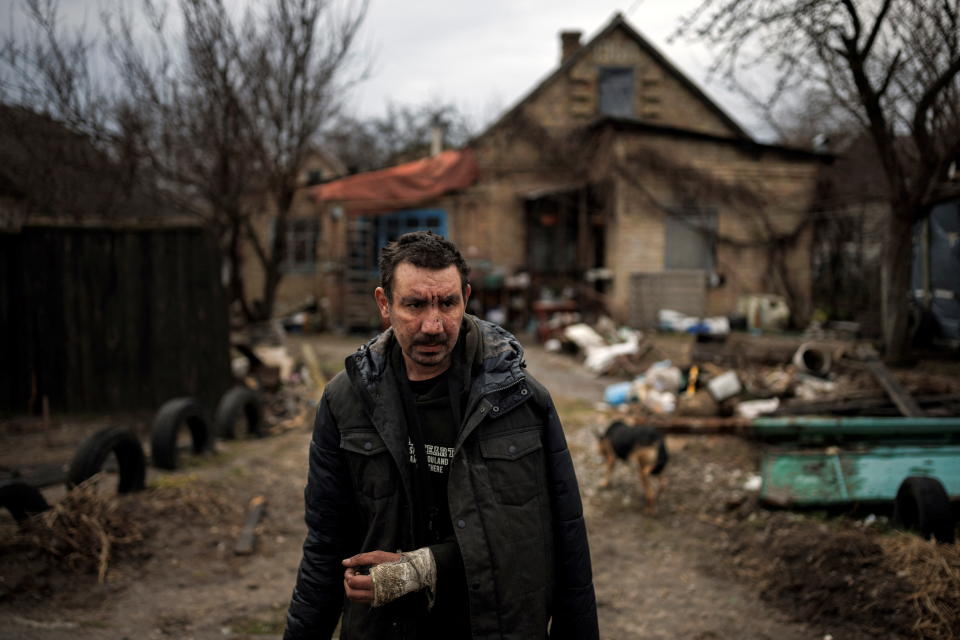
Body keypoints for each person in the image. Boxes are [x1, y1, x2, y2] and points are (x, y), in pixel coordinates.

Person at [284, 231, 599, 640]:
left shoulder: (518, 399)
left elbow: (555, 537)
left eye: (447, 303)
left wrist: (423, 567)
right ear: (384, 303)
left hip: (492, 625)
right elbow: (326, 544)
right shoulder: (345, 401)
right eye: (414, 304)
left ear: (465, 298)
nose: (433, 325)